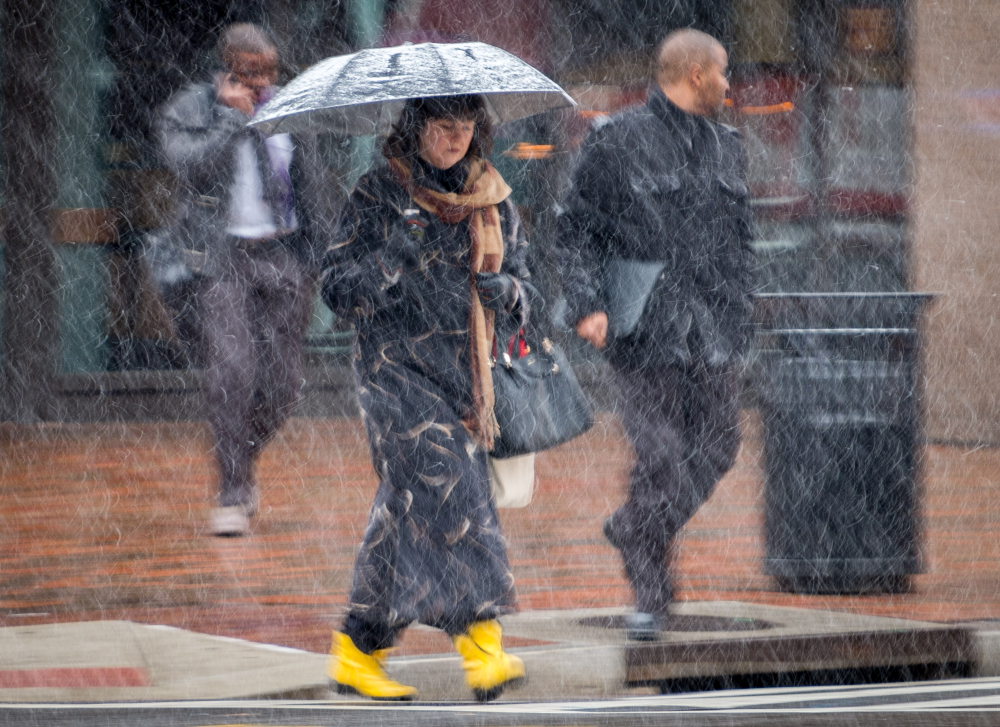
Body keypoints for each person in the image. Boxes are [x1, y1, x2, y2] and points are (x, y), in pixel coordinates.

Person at [320, 95, 529, 701]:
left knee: (405, 507)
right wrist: (391, 261)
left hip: (463, 377)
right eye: (443, 126)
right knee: (453, 484)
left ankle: (356, 651)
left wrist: (507, 289)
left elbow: (528, 285)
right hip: (393, 374)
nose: (456, 137)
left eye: (466, 127)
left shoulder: (493, 197)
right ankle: (481, 644)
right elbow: (336, 289)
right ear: (417, 128)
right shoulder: (379, 192)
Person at [556, 28, 756, 640]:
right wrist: (587, 305)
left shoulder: (730, 146)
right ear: (695, 74)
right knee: (661, 459)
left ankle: (635, 528)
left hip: (711, 329)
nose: (728, 83)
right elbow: (575, 230)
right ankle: (650, 590)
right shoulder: (617, 141)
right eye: (722, 72)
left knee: (719, 445)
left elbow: (739, 240)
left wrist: (744, 309)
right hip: (644, 329)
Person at [157, 23, 330, 536]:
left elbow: (311, 182)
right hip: (222, 256)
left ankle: (242, 461)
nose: (261, 83)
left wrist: (317, 255)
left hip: (281, 252)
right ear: (228, 66)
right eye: (251, 73)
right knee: (232, 373)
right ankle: (232, 492)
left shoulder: (289, 108)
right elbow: (185, 166)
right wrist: (232, 122)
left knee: (284, 385)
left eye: (270, 71)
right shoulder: (193, 107)